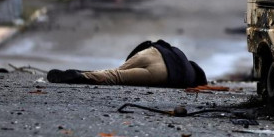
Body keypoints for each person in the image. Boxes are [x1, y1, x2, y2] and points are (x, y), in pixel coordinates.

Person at [47, 40, 207, 88]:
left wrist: (127, 62)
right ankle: (82, 76)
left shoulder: (181, 55)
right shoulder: (188, 79)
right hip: (162, 74)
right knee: (116, 77)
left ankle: (87, 73)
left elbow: (149, 43)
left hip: (152, 52)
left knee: (115, 71)